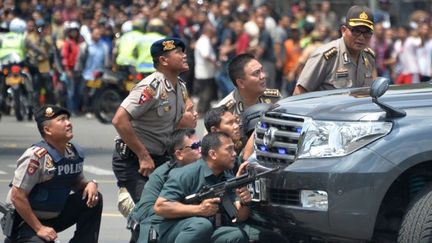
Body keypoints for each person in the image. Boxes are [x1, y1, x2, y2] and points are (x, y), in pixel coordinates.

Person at [4, 105, 102, 242]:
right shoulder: (36, 157)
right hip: (27, 221)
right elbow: (17, 196)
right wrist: (39, 228)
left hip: (56, 215)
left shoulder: (73, 153)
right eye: (61, 120)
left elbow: (76, 182)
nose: (68, 123)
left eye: (68, 119)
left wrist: (90, 184)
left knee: (93, 199)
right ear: (47, 130)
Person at [111, 37, 189, 205]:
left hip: (160, 159)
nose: (184, 56)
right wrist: (143, 155)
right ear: (163, 60)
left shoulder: (180, 87)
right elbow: (119, 120)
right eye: (178, 53)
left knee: (178, 203)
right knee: (149, 210)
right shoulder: (151, 87)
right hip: (134, 161)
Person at [153, 132, 251, 243]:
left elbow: (238, 216)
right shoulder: (186, 174)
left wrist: (245, 202)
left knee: (237, 235)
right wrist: (199, 209)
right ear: (213, 154)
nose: (234, 154)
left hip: (204, 232)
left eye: (234, 149)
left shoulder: (226, 177)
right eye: (229, 149)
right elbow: (160, 207)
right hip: (174, 231)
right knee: (201, 225)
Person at [129, 128, 202, 243]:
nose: (200, 150)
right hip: (158, 229)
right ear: (179, 154)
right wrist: (181, 208)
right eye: (195, 147)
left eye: (200, 144)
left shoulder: (205, 168)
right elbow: (144, 211)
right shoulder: (162, 174)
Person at [293, 5, 377, 95]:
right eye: (356, 31)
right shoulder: (326, 56)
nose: (361, 37)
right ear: (343, 30)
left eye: (367, 32)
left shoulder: (369, 57)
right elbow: (299, 93)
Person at [216, 53, 281, 122]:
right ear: (241, 83)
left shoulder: (273, 98)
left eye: (262, 70)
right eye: (256, 73)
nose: (263, 76)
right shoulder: (224, 112)